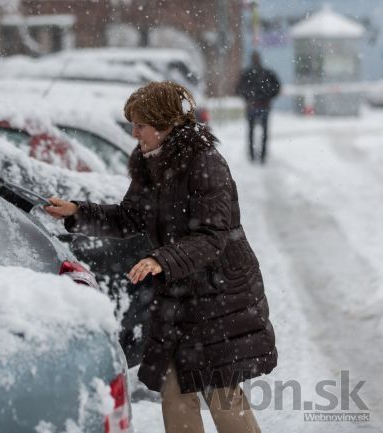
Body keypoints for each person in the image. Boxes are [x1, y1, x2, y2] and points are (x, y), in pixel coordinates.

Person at [45, 81, 277, 433]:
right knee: (175, 391)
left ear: (166, 124)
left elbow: (212, 236)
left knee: (222, 396)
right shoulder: (148, 162)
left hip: (220, 295)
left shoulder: (205, 163)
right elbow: (129, 217)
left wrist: (162, 260)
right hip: (179, 296)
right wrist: (77, 212)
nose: (134, 132)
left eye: (140, 124)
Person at [236, 51, 281, 164]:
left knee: (251, 131)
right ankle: (262, 156)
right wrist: (269, 97)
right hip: (264, 105)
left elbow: (239, 89)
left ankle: (252, 156)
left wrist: (248, 98)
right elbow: (277, 86)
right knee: (264, 132)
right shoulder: (267, 73)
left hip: (252, 106)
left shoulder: (246, 74)